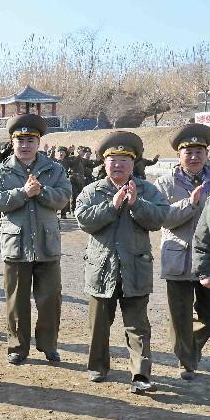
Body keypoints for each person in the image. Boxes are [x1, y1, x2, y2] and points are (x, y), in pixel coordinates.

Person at [74, 131, 169, 393]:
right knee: (98, 325)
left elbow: (159, 218)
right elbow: (84, 220)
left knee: (138, 326)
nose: (118, 165)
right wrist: (112, 206)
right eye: (112, 160)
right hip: (101, 269)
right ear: (104, 163)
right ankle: (97, 367)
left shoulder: (148, 190)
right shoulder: (92, 191)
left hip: (135, 268)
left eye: (124, 160)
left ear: (133, 163)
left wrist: (136, 204)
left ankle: (140, 374)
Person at [0, 114, 71, 365]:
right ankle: (17, 347)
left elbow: (64, 197)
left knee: (50, 299)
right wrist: (22, 193)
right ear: (12, 142)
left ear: (39, 142)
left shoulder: (54, 169)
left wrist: (41, 191)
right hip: (16, 244)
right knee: (16, 301)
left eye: (30, 140)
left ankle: (48, 345)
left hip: (47, 244)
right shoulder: (1, 171)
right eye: (20, 140)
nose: (25, 145)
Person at [161, 123, 210, 380]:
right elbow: (161, 217)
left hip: (208, 261)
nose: (194, 157)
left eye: (199, 151)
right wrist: (189, 204)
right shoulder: (165, 183)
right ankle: (186, 361)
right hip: (178, 257)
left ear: (206, 154)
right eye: (188, 152)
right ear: (179, 155)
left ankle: (191, 346)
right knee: (179, 316)